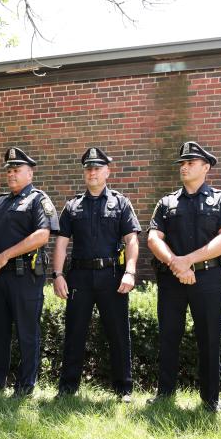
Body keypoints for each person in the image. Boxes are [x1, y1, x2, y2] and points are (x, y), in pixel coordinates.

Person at [147, 142, 221, 411]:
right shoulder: (166, 202)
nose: (184, 167)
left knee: (209, 338)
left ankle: (210, 399)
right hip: (171, 278)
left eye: (191, 163)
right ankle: (165, 394)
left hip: (208, 279)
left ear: (206, 167)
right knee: (168, 336)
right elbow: (153, 238)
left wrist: (187, 261)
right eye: (182, 163)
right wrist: (176, 263)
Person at [52, 147, 140, 402]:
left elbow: (132, 240)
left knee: (118, 333)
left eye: (97, 168)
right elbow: (61, 243)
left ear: (107, 172)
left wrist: (130, 272)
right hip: (78, 276)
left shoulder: (121, 203)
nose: (92, 172)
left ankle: (123, 389)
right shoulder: (72, 206)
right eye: (88, 168)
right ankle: (67, 388)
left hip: (112, 276)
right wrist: (58, 274)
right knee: (74, 332)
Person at [0, 147, 58, 396]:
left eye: (17, 170)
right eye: (9, 170)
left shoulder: (38, 200)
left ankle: (25, 386)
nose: (12, 174)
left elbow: (42, 235)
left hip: (25, 277)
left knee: (26, 333)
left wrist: (6, 255)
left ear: (30, 173)